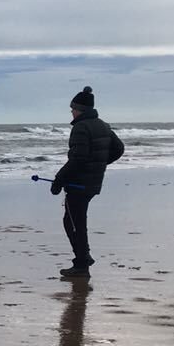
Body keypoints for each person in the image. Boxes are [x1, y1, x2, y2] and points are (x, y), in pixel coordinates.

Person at [50, 86, 125, 278]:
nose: (71, 112)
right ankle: (84, 258)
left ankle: (82, 264)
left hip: (79, 184)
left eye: (73, 108)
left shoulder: (81, 127)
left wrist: (59, 180)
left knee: (74, 223)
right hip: (91, 183)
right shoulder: (103, 125)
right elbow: (118, 149)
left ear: (80, 109)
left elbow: (78, 159)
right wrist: (98, 164)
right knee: (75, 221)